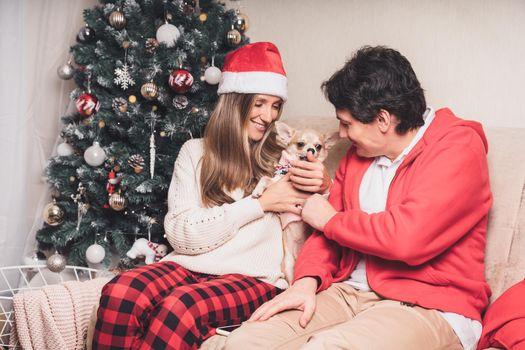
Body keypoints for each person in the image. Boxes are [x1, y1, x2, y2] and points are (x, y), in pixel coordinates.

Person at [224, 46, 493, 350]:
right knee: (244, 341)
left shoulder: (457, 148)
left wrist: (330, 219)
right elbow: (326, 239)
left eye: (347, 123)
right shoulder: (359, 156)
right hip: (347, 292)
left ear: (382, 120)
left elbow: (406, 238)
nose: (341, 133)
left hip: (428, 304)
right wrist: (305, 282)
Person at [92, 42, 332, 350]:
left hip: (256, 277)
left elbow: (328, 213)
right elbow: (180, 233)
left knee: (179, 309)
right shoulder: (195, 153)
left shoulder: (283, 158)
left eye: (275, 106)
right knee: (121, 292)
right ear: (236, 101)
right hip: (189, 264)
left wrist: (324, 184)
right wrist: (260, 205)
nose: (268, 116)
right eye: (259, 103)